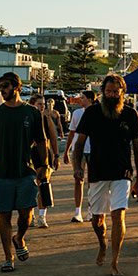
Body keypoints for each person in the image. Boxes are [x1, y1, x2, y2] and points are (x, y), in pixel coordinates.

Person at [0, 72, 48, 272]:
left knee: (26, 214)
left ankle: (19, 238)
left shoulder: (32, 113)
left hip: (26, 172)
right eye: (0, 87)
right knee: (4, 215)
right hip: (1, 174)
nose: (2, 90)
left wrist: (45, 166)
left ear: (17, 88)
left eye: (5, 86)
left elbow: (41, 141)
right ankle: (8, 257)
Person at [71, 74, 138, 276]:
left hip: (123, 172)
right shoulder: (92, 112)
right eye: (108, 91)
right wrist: (77, 167)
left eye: (115, 92)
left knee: (118, 214)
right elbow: (79, 143)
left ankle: (115, 261)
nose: (112, 95)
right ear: (103, 92)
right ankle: (102, 244)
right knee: (97, 219)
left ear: (122, 92)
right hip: (97, 171)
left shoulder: (130, 114)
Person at [63, 90, 96, 223]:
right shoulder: (77, 113)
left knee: (93, 182)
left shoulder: (97, 113)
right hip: (80, 151)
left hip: (94, 151)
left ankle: (91, 211)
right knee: (78, 179)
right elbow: (71, 133)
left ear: (90, 99)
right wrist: (66, 150)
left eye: (82, 98)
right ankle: (78, 212)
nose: (79, 100)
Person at [29, 94, 60, 228]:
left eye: (43, 104)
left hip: (44, 154)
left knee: (43, 184)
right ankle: (30, 216)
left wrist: (57, 155)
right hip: (30, 154)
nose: (42, 107)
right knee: (30, 186)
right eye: (39, 104)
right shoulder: (28, 118)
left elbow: (53, 138)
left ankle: (42, 216)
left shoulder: (46, 119)